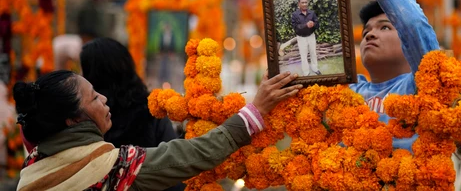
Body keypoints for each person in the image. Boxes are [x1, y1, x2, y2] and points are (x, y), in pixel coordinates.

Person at [14, 69, 300, 190]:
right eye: (93, 97)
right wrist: (256, 111)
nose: (103, 99)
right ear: (72, 120)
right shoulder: (111, 168)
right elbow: (192, 154)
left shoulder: (32, 168)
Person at [349, 0, 440, 151]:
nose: (369, 35)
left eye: (384, 27)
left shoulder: (420, 85)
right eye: (366, 31)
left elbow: (412, 22)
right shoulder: (350, 93)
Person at [80, 37, 177, 149]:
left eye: (83, 70)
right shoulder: (151, 108)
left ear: (92, 75)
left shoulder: (88, 115)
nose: (81, 75)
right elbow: (173, 154)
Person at [291, 0, 321, 76]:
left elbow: (317, 24)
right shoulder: (295, 14)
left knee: (313, 53)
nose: (304, 4)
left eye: (305, 2)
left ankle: (315, 68)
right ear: (299, 4)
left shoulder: (312, 13)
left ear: (307, 3)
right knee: (303, 56)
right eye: (302, 2)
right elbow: (295, 28)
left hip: (311, 36)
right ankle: (306, 72)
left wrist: (313, 24)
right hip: (301, 38)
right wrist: (306, 25)